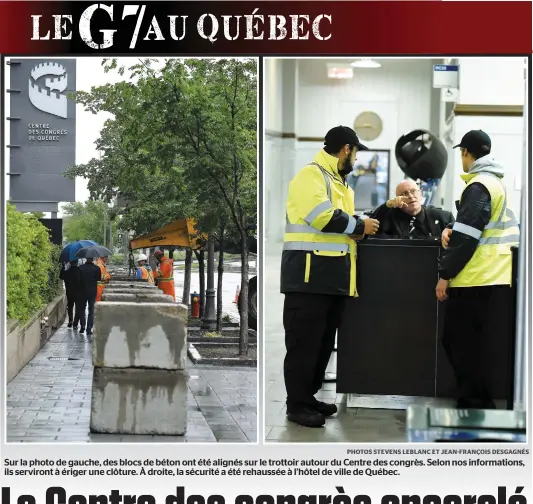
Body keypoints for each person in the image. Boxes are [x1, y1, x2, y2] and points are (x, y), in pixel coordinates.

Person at [281, 125, 381, 428]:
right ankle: (296, 405)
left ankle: (307, 397)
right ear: (347, 149)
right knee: (304, 345)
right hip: (308, 279)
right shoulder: (312, 176)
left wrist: (357, 230)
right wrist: (359, 226)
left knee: (321, 345)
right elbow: (322, 217)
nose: (355, 159)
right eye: (355, 152)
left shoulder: (339, 183)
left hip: (329, 279)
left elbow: (342, 230)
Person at [436, 130, 520, 409]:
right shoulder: (496, 182)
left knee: (459, 343)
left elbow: (467, 237)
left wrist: (444, 275)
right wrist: (451, 228)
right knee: (470, 344)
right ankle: (476, 400)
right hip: (494, 274)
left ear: (465, 153)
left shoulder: (479, 185)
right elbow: (474, 226)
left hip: (476, 277)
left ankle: (475, 404)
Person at [369, 179, 455, 239]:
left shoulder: (444, 218)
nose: (410, 196)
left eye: (413, 191)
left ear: (420, 194)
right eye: (405, 193)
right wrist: (387, 205)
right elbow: (370, 225)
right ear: (398, 199)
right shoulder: (389, 218)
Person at [78, 257, 102, 335]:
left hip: (82, 291)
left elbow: (78, 279)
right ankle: (89, 329)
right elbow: (98, 278)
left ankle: (82, 327)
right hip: (92, 292)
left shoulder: (80, 268)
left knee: (82, 309)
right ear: (92, 259)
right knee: (91, 310)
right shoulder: (96, 268)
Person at [59, 260, 83, 328]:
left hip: (69, 292)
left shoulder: (67, 272)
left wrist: (63, 268)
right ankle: (75, 323)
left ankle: (70, 321)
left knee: (70, 306)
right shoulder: (80, 271)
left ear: (70, 263)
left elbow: (61, 277)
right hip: (78, 293)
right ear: (77, 263)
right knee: (78, 308)